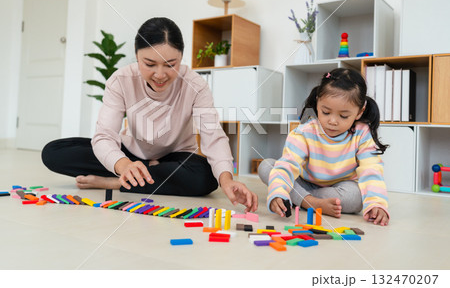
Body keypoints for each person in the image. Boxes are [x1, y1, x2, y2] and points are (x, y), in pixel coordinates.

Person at [42, 17, 258, 212]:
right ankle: (132, 174)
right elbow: (105, 135)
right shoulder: (121, 80)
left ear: (181, 58)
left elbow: (213, 136)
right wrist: (123, 165)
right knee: (54, 152)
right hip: (130, 154)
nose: (160, 74)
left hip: (175, 156)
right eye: (149, 64)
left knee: (208, 177)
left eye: (170, 65)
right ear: (136, 57)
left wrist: (227, 180)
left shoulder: (196, 85)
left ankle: (118, 182)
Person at [258, 68, 389, 225]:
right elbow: (287, 165)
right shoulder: (305, 132)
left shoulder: (362, 133)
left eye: (343, 116)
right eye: (326, 112)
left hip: (340, 186)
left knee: (356, 197)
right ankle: (310, 202)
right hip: (304, 181)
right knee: (267, 166)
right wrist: (278, 192)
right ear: (318, 102)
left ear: (360, 112)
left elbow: (371, 170)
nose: (332, 121)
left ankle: (301, 198)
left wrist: (377, 204)